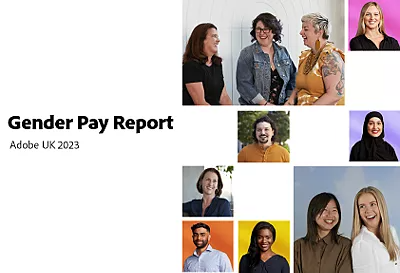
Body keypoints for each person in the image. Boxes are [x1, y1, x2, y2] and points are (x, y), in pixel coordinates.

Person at [236, 12, 296, 105]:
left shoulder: (283, 52)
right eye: (259, 29)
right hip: (255, 109)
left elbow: (294, 79)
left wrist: (289, 100)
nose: (262, 33)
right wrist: (264, 104)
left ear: (274, 31)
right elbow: (244, 85)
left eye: (266, 29)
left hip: (282, 108)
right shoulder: (247, 53)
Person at [285, 13, 345, 105]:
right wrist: (290, 101)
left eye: (305, 29)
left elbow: (335, 95)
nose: (301, 32)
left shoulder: (330, 57)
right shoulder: (305, 56)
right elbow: (299, 87)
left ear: (319, 32)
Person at [294, 192, 352, 273]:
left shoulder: (345, 245)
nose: (330, 215)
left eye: (334, 210)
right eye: (324, 210)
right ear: (313, 214)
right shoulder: (298, 247)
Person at [351, 186, 400, 272]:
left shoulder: (391, 231)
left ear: (381, 206)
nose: (368, 210)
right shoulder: (361, 244)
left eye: (372, 204)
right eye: (362, 206)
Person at [183, 23, 232, 105]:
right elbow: (201, 103)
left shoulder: (217, 64)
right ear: (202, 40)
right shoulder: (191, 67)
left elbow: (223, 97)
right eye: (214, 36)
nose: (218, 40)